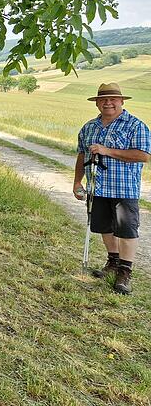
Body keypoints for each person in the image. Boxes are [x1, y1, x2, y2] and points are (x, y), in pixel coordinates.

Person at [74, 82, 150, 294]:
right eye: (103, 99)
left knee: (126, 229)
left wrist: (108, 151)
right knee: (104, 228)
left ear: (121, 102)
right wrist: (77, 182)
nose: (108, 103)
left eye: (112, 99)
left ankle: (125, 272)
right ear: (97, 103)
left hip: (124, 189)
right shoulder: (89, 127)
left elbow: (143, 155)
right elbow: (82, 155)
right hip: (97, 188)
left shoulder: (135, 125)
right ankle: (113, 262)